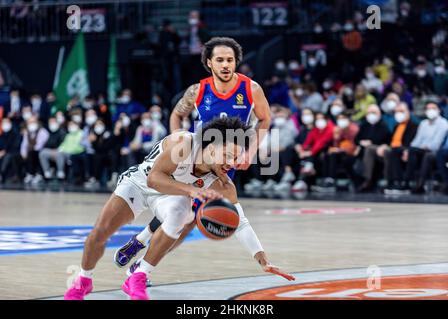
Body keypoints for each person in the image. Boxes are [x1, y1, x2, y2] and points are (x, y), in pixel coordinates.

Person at [64, 117, 294, 300]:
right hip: (140, 182)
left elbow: (240, 222)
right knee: (100, 232)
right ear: (212, 148)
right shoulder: (184, 144)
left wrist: (263, 260)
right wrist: (191, 190)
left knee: (182, 214)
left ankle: (139, 275)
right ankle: (84, 280)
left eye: (236, 158)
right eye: (228, 155)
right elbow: (154, 178)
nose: (232, 163)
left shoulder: (223, 183)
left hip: (171, 194)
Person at [115, 36, 271, 270]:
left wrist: (249, 151)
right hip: (196, 159)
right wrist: (179, 144)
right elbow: (176, 115)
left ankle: (142, 252)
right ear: (209, 62)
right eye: (220, 60)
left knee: (188, 222)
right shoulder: (198, 90)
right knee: (182, 214)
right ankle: (142, 252)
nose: (226, 64)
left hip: (225, 162)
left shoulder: (251, 89)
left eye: (230, 60)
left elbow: (265, 119)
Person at [401, 102, 448, 194]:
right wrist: (409, 149)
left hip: (433, 150)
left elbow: (436, 144)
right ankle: (407, 183)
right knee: (411, 151)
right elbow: (416, 141)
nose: (430, 111)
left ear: (439, 110)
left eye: (433, 108)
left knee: (427, 155)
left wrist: (423, 147)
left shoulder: (444, 124)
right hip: (420, 150)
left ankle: (419, 184)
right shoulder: (423, 123)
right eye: (428, 109)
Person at [382, 102, 418, 194]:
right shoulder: (396, 126)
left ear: (408, 112)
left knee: (394, 152)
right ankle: (391, 182)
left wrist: (406, 150)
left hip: (405, 149)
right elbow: (390, 140)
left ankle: (400, 182)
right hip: (394, 149)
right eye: (397, 111)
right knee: (388, 151)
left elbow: (413, 142)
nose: (399, 114)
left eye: (402, 111)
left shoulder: (414, 126)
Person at [354, 104, 391, 192]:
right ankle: (361, 182)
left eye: (373, 112)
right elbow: (356, 139)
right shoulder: (364, 125)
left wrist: (370, 142)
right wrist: (361, 142)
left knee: (369, 149)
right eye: (369, 112)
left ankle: (368, 180)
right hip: (363, 151)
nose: (371, 115)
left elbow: (385, 140)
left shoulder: (383, 125)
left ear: (379, 114)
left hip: (378, 150)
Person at [21, 116, 49, 185]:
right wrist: (23, 153)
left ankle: (37, 174)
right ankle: (28, 174)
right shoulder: (27, 132)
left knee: (32, 153)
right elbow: (24, 144)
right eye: (30, 122)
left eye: (33, 122)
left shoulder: (43, 131)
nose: (31, 124)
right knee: (22, 155)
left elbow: (40, 145)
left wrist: (30, 150)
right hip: (31, 151)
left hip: (41, 150)